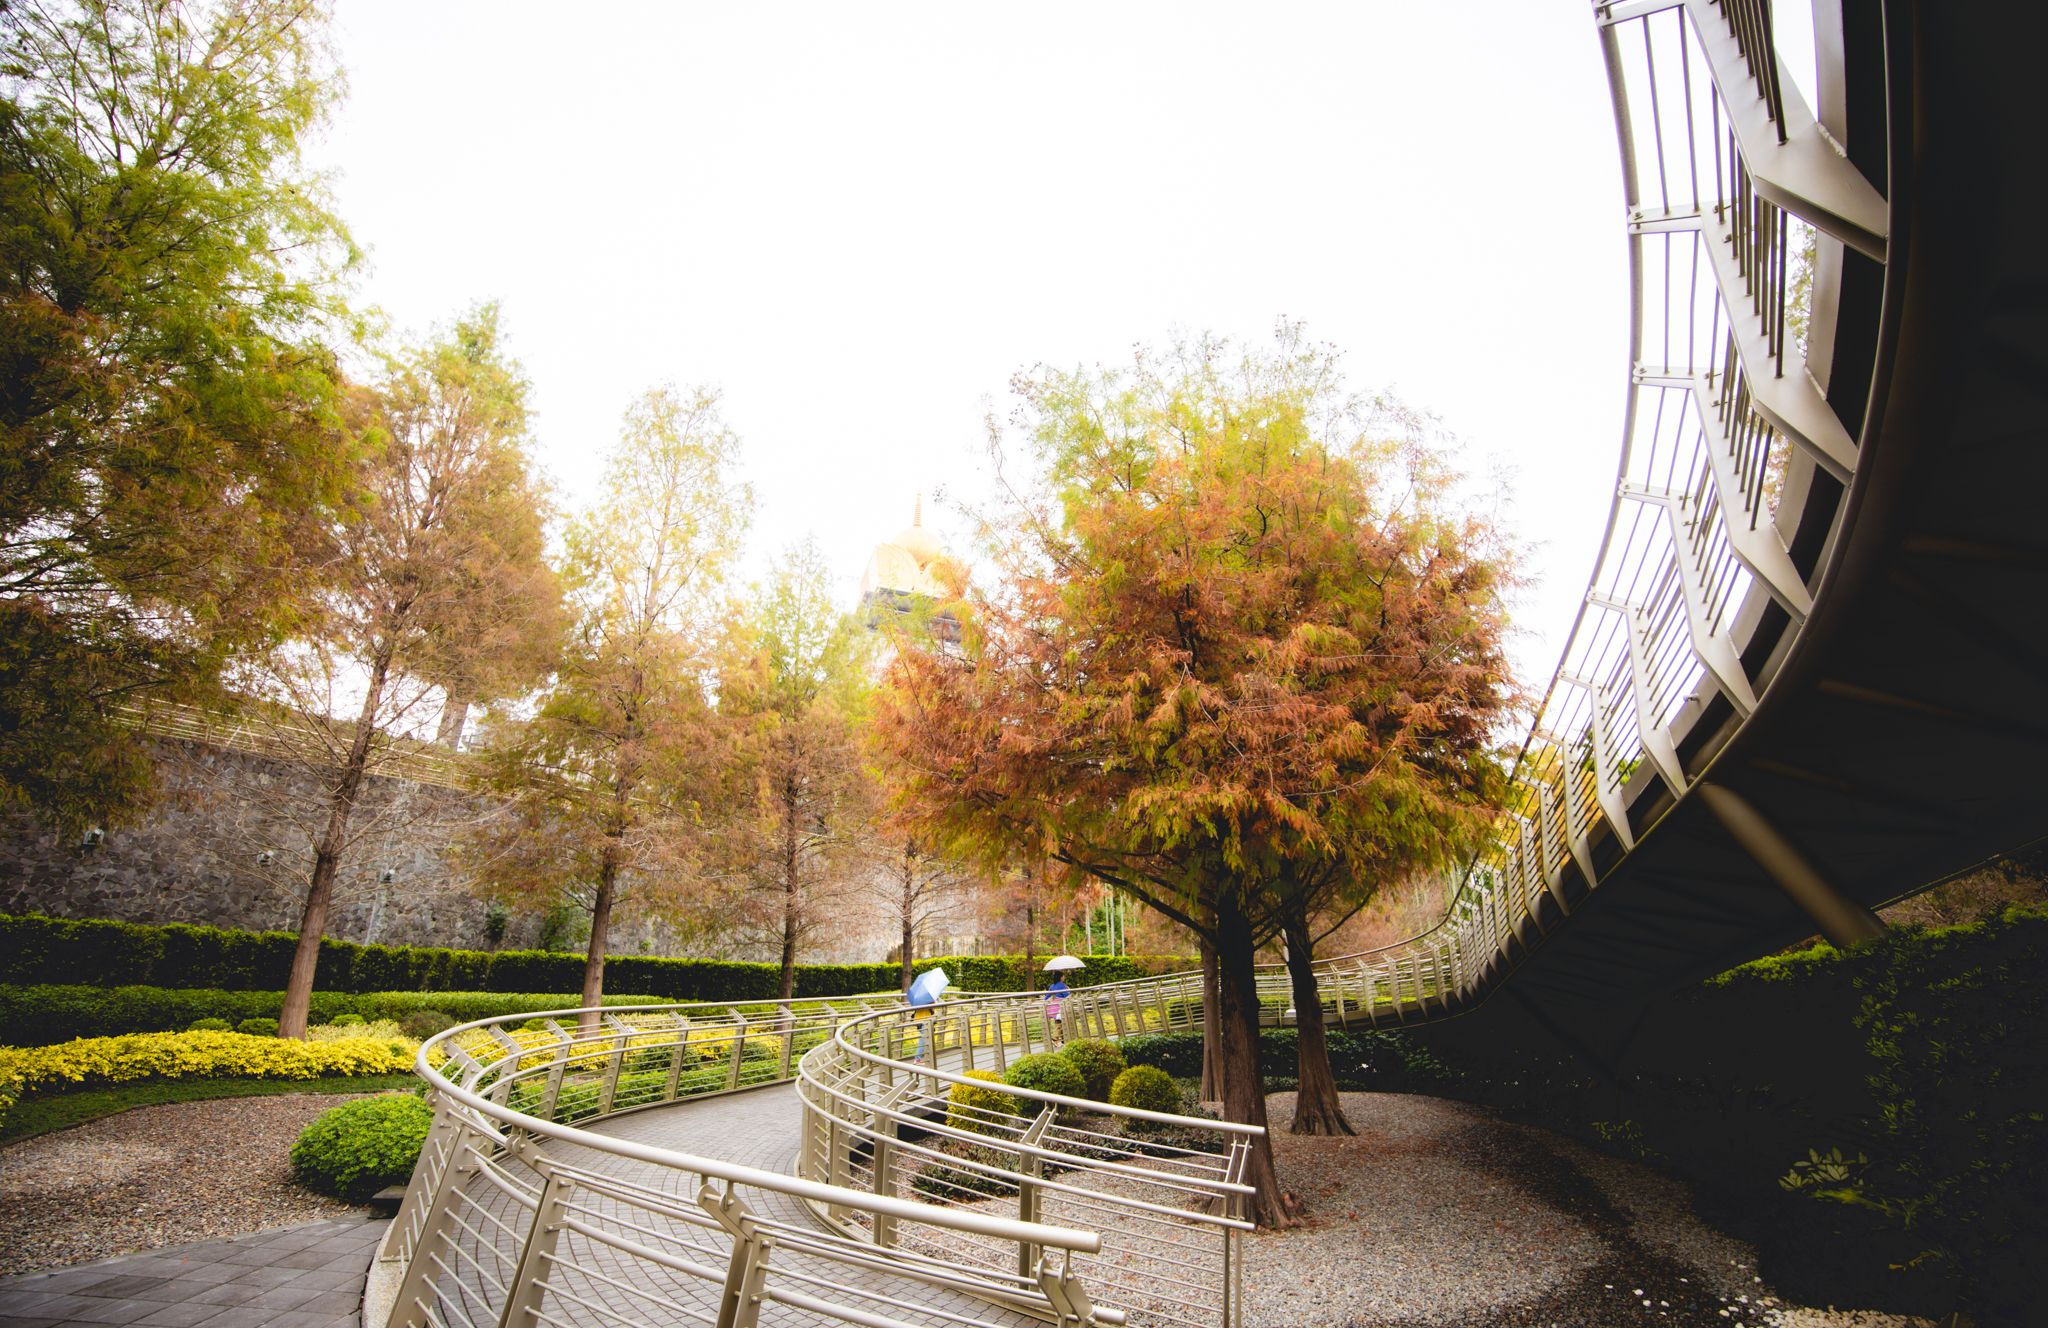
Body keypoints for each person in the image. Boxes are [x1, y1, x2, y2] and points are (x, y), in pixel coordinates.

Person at [1044, 975, 1070, 1046]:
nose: (1064, 977)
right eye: (1063, 976)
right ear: (1060, 977)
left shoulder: (1052, 986)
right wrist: (1068, 990)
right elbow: (1066, 995)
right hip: (1061, 1005)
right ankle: (1054, 1037)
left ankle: (1063, 1040)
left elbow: (1046, 996)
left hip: (1054, 1005)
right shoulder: (1062, 985)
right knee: (1061, 1022)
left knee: (1059, 1022)